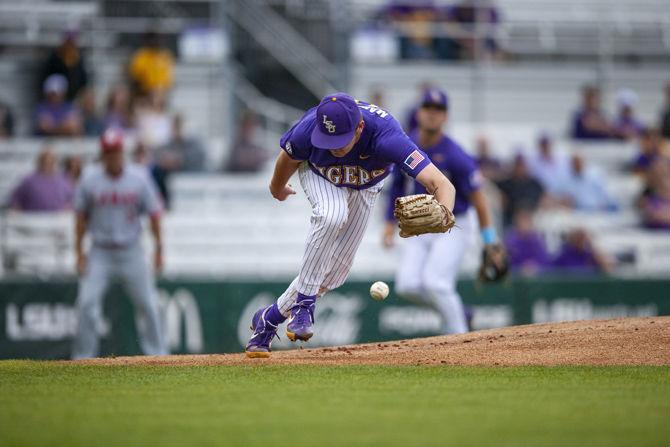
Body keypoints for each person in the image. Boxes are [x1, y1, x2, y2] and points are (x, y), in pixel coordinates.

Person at [244, 92, 457, 357]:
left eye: (340, 139)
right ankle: (303, 305)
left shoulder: (387, 137)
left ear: (359, 128)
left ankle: (270, 317)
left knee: (336, 271)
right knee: (332, 214)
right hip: (319, 175)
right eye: (327, 138)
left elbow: (442, 184)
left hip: (365, 186)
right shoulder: (309, 127)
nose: (333, 146)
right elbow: (287, 158)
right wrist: (277, 188)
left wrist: (444, 213)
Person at [382, 88, 498, 334]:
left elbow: (480, 199)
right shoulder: (406, 144)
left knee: (436, 284)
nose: (432, 115)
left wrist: (489, 241)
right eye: (428, 109)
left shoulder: (456, 155)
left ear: (445, 117)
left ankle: (459, 338)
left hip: (455, 224)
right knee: (407, 285)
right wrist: (388, 225)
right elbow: (396, 186)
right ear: (419, 112)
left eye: (439, 110)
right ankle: (460, 313)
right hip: (421, 223)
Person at [71, 128, 166, 359]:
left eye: (116, 152)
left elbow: (154, 214)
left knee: (149, 305)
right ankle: (83, 358)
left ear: (122, 152)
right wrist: (79, 252)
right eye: (109, 153)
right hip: (100, 250)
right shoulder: (89, 178)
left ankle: (159, 356)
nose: (113, 157)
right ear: (103, 155)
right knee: (86, 304)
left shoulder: (139, 176)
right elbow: (80, 217)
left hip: (131, 249)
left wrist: (159, 250)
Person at [9, 147, 73, 211]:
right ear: (39, 162)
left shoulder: (63, 180)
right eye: (45, 161)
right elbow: (16, 200)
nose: (48, 163)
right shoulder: (29, 180)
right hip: (33, 218)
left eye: (51, 161)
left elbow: (70, 199)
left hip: (57, 218)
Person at [495, 154, 545, 227]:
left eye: (522, 166)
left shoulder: (534, 184)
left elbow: (544, 197)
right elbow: (493, 188)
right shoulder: (506, 183)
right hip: (510, 219)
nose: (520, 169)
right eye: (518, 165)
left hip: (533, 217)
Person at [39, 30, 88, 101]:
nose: (71, 42)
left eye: (73, 40)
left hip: (74, 96)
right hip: (58, 91)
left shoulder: (79, 57)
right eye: (69, 40)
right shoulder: (56, 56)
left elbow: (83, 77)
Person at [503, 209, 549, 277]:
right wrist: (521, 269)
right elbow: (505, 263)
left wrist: (535, 266)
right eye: (521, 221)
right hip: (516, 280)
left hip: (537, 280)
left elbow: (546, 262)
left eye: (527, 221)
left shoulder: (538, 241)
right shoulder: (510, 241)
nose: (524, 225)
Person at [129, 31, 175, 97]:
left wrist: (162, 88)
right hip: (145, 92)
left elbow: (169, 77)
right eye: (153, 38)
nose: (156, 41)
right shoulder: (141, 55)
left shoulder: (165, 55)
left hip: (162, 91)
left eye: (158, 38)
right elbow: (136, 77)